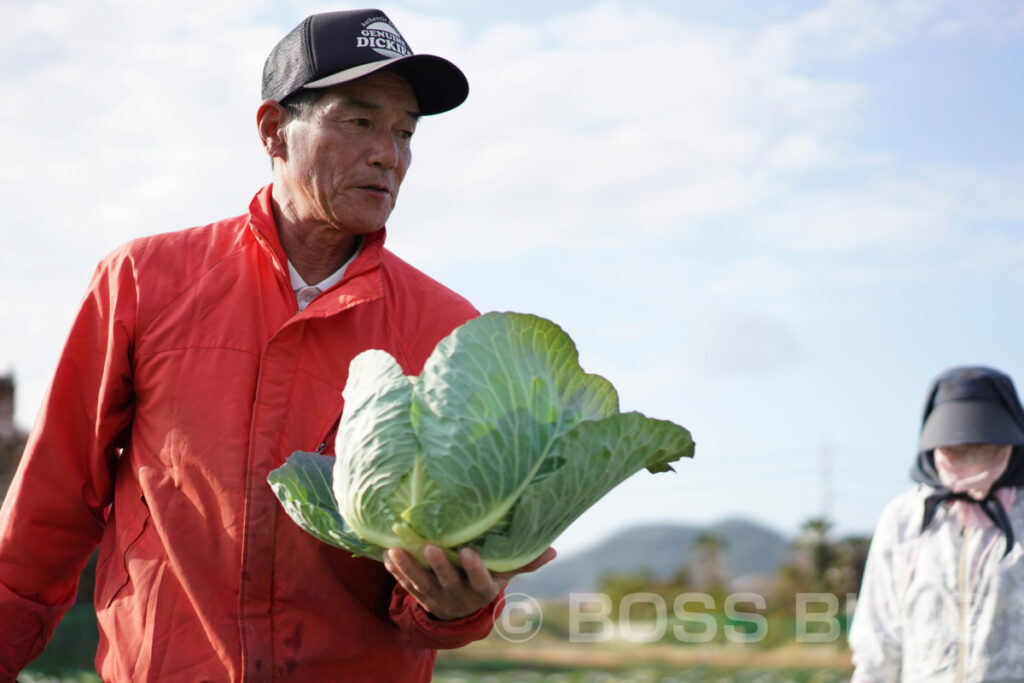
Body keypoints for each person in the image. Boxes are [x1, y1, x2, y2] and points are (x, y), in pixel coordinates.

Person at [0, 9, 554, 681]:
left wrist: (455, 607)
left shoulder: (447, 330)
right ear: (273, 131)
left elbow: (444, 567)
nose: (391, 153)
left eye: (406, 132)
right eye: (359, 121)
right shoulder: (144, 280)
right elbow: (49, 507)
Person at [849, 365, 1024, 681]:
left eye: (988, 448)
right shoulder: (904, 519)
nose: (972, 460)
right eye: (957, 450)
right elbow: (878, 637)